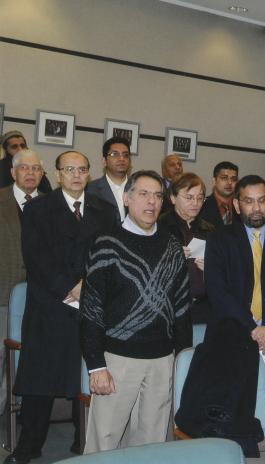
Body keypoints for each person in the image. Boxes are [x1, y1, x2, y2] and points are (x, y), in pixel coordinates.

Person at [7, 151, 116, 464]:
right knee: (41, 383)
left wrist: (89, 287)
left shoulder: (104, 210)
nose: (76, 175)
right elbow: (35, 256)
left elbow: (108, 254)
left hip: (91, 305)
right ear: (56, 175)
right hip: (50, 305)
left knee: (87, 378)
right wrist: (71, 285)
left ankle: (84, 445)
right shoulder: (38, 208)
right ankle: (28, 446)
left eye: (82, 169)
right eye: (69, 169)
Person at [80, 170, 192, 453]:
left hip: (162, 360)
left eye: (157, 195)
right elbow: (91, 308)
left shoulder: (172, 246)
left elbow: (182, 308)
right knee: (103, 442)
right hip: (117, 361)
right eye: (143, 194)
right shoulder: (106, 242)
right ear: (127, 198)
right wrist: (96, 365)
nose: (151, 202)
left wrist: (182, 359)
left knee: (151, 445)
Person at [204, 174, 265, 346]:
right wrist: (253, 328)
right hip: (230, 335)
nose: (256, 207)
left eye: (261, 200)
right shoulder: (219, 240)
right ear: (237, 205)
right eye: (249, 201)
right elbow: (218, 291)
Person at [0, 150, 44, 415]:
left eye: (36, 168)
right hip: (3, 294)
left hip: (42, 298)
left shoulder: (53, 204)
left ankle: (25, 417)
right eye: (24, 168)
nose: (30, 173)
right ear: (13, 172)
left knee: (34, 358)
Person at [158, 173, 216, 324]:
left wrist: (212, 267)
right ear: (172, 198)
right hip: (169, 308)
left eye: (200, 198)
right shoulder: (159, 227)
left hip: (203, 307)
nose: (195, 203)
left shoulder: (209, 230)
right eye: (189, 198)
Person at [86, 136, 131, 223]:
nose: (121, 159)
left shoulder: (138, 188)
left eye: (125, 155)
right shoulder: (90, 190)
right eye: (115, 154)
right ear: (104, 161)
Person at [198, 161, 238, 227]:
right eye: (224, 178)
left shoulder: (241, 206)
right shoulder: (201, 206)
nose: (230, 182)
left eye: (233, 179)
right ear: (214, 181)